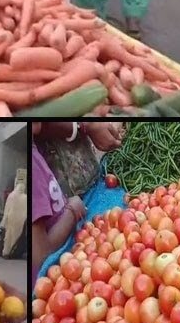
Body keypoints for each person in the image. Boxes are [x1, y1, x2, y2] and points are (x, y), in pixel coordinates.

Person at [30, 122, 126, 286]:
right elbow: (40, 256)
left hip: (72, 208)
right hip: (68, 217)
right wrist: (72, 211)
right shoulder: (35, 169)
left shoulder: (35, 161)